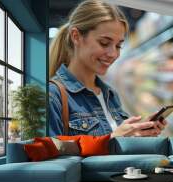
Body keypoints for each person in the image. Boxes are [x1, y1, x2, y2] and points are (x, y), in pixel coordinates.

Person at [49, 0, 166, 138]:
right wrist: (111, 140)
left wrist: (137, 135)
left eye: (118, 46)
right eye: (104, 43)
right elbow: (52, 157)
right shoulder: (52, 96)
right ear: (76, 36)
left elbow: (116, 150)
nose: (113, 54)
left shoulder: (111, 95)